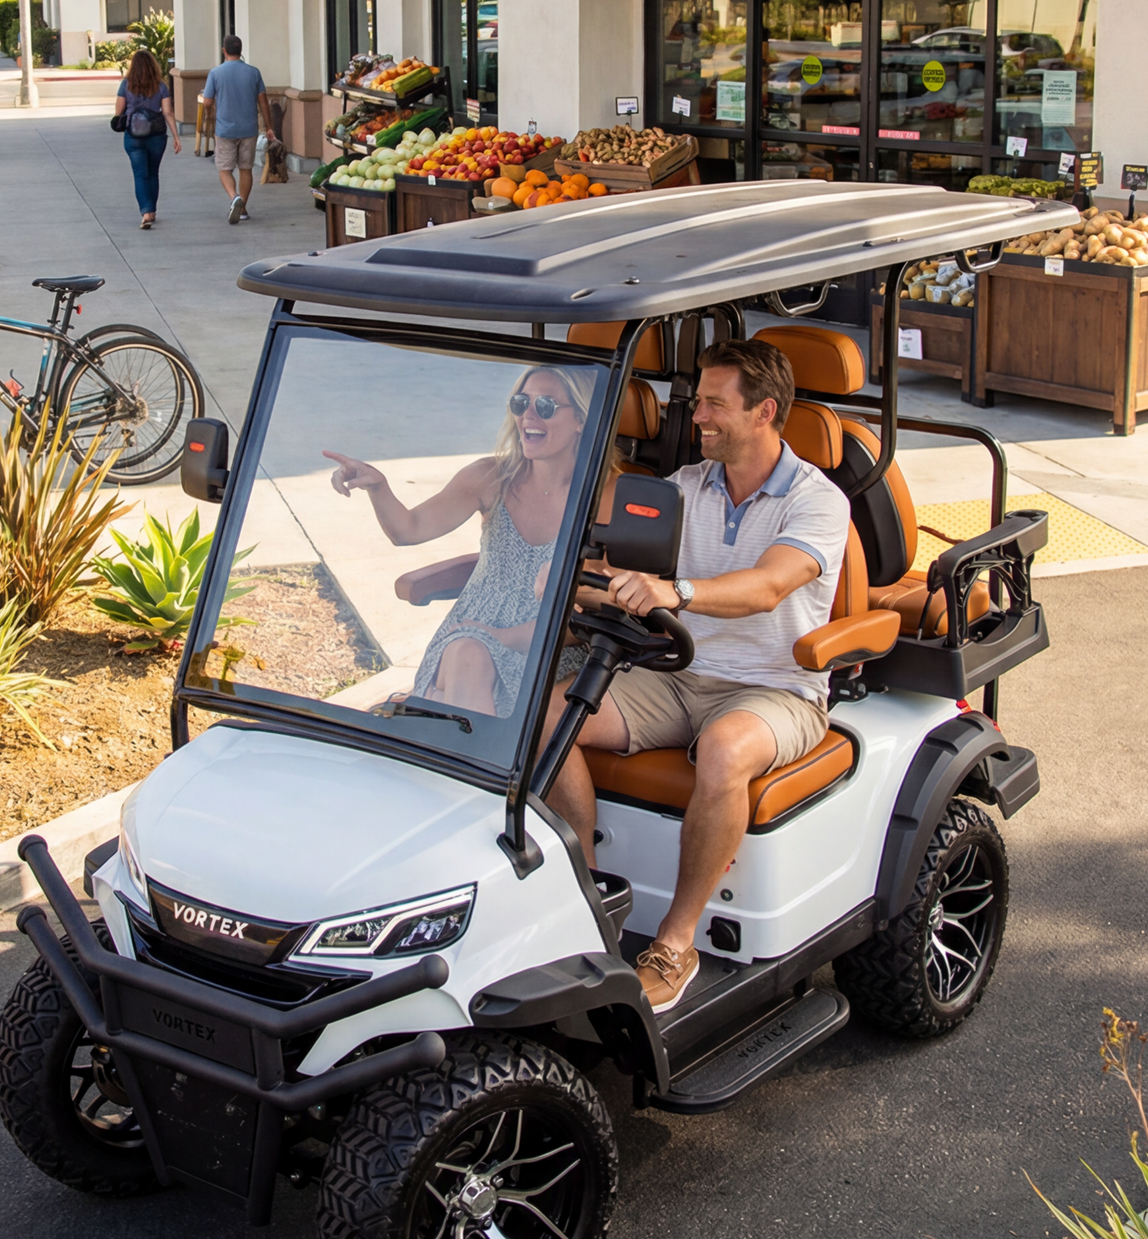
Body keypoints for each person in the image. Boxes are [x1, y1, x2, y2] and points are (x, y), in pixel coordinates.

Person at [542, 339, 851, 1013]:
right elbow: (621, 572)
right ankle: (587, 900)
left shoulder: (817, 501)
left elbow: (769, 587)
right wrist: (578, 585)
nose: (698, 415)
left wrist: (673, 591)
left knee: (724, 748)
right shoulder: (684, 488)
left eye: (714, 403)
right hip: (680, 675)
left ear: (765, 411)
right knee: (544, 721)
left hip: (777, 689)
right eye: (697, 400)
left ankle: (676, 944)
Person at [324, 365, 605, 720]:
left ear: (580, 419)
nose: (528, 416)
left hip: (547, 646)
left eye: (546, 406)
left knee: (452, 687)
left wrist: (499, 636)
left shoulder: (603, 498)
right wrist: (378, 486)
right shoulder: (490, 477)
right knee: (467, 654)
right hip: (467, 639)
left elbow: (593, 612)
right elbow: (407, 529)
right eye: (521, 403)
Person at [199, 34, 268, 224]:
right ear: (241, 51)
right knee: (245, 168)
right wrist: (269, 127)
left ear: (224, 51)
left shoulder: (215, 73)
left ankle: (233, 197)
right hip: (249, 128)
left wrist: (213, 108)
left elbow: (206, 102)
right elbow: (263, 100)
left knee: (224, 168)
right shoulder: (254, 72)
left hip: (225, 129)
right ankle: (243, 207)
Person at [116, 48, 181, 228]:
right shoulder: (161, 86)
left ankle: (146, 212)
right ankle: (151, 211)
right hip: (157, 136)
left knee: (140, 174)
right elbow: (167, 112)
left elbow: (118, 111)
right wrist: (176, 136)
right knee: (153, 173)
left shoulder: (126, 84)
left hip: (133, 136)